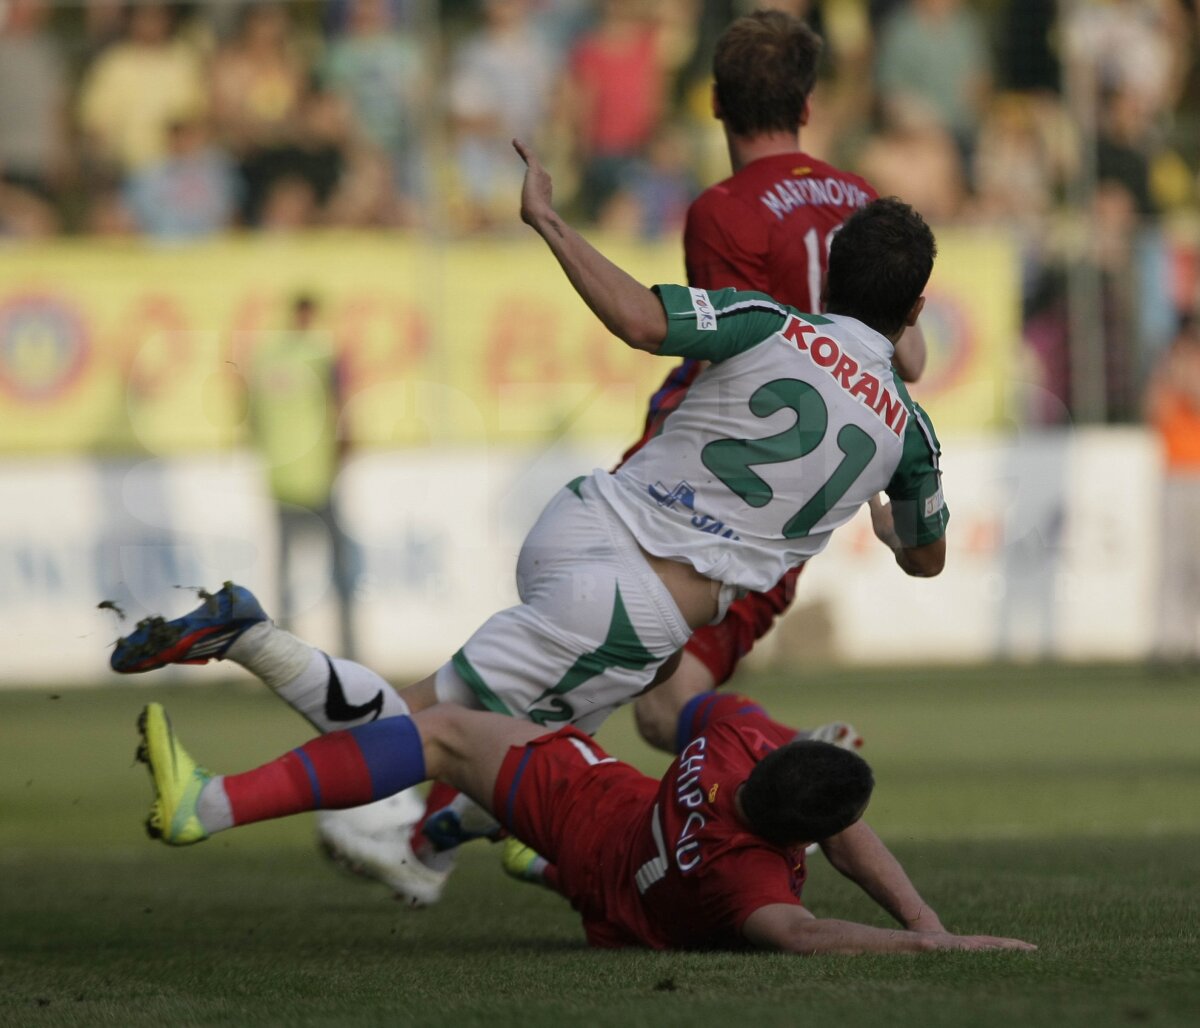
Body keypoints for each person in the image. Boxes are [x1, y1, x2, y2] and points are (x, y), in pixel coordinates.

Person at [112, 138, 949, 908]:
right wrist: (891, 536)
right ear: (913, 313)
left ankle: (448, 840)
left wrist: (550, 223)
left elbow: (637, 318)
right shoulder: (908, 434)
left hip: (586, 520)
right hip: (631, 606)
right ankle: (215, 775)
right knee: (429, 734)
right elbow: (926, 559)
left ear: (828, 277)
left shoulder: (768, 321)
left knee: (534, 752)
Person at [131, 688, 1032, 954]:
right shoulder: (749, 888)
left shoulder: (736, 743)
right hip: (625, 898)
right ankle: (516, 856)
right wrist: (928, 935)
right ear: (803, 841)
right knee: (618, 887)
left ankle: (208, 804)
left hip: (594, 810)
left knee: (442, 732)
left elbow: (692, 698)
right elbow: (804, 927)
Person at [247, 293, 358, 659]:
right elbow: (342, 408)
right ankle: (350, 654)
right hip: (317, 474)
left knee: (285, 573)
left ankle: (286, 657)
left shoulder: (266, 356)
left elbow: (251, 414)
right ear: (311, 316)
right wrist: (345, 445)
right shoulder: (321, 355)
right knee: (340, 570)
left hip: (281, 475)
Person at [1144, 311, 1200, 668]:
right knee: (1174, 562)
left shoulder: (1189, 369)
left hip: (1194, 474)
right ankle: (1171, 641)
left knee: (1194, 563)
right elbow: (1152, 411)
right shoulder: (1168, 371)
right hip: (1177, 473)